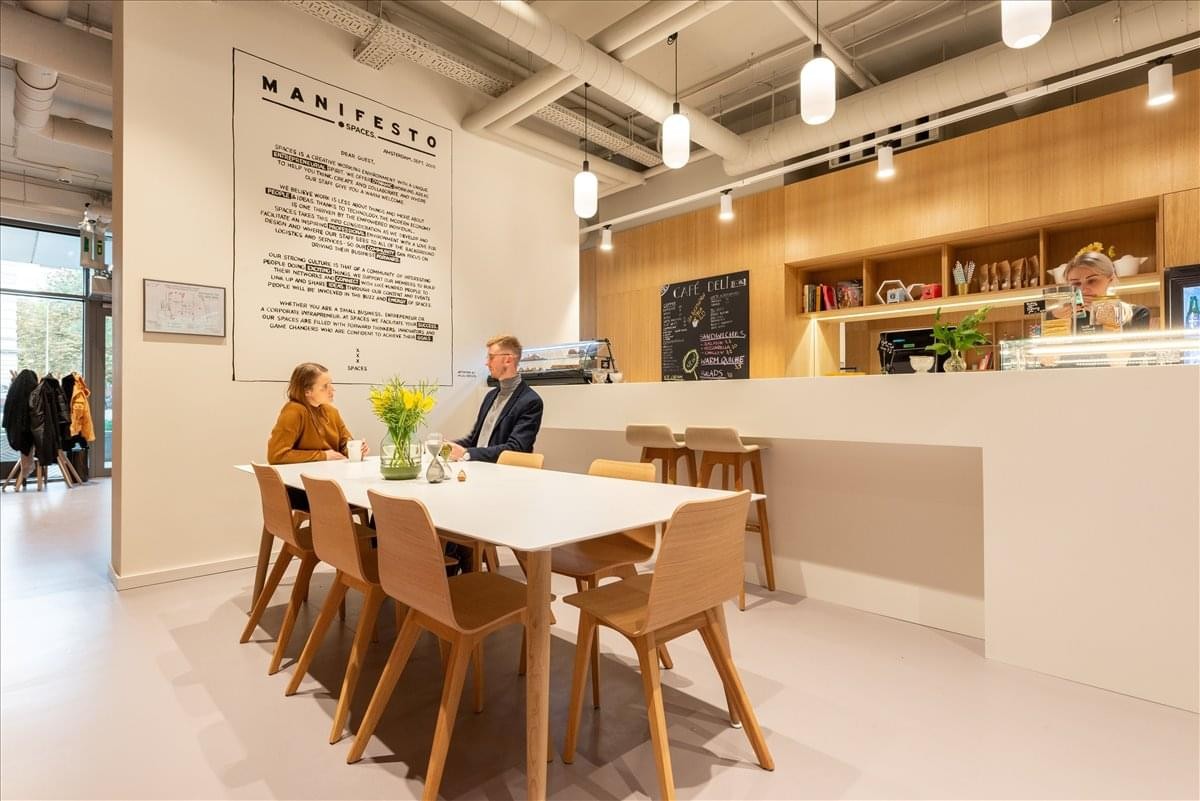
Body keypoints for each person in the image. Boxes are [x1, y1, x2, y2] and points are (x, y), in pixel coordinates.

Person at [267, 362, 367, 510]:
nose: (332, 389)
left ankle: (371, 534)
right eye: (325, 386)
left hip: (333, 483)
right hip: (303, 489)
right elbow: (276, 455)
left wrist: (355, 448)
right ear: (307, 391)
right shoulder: (294, 411)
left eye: (331, 384)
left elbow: (344, 443)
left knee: (377, 502)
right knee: (371, 500)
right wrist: (323, 456)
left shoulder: (331, 412)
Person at [448, 334, 543, 463]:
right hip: (478, 468)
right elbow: (474, 440)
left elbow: (516, 448)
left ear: (508, 360)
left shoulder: (530, 402)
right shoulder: (490, 396)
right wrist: (448, 447)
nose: (486, 363)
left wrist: (467, 453)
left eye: (491, 357)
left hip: (504, 476)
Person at [1063, 251, 1151, 331]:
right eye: (1076, 283)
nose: (1083, 289)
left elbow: (1136, 347)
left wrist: (1109, 319)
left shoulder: (1137, 314)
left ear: (1110, 279)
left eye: (1092, 281)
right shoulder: (1066, 319)